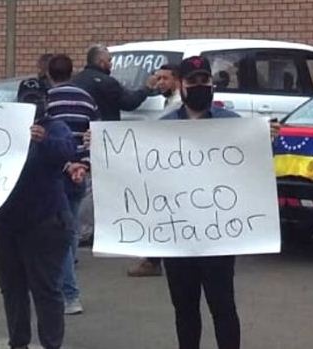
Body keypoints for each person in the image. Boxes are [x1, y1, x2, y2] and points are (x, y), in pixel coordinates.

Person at [83, 56, 280, 349]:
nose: (200, 86)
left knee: (223, 307)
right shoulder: (163, 129)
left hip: (219, 238)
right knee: (185, 310)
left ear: (212, 85)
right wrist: (99, 146)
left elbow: (254, 166)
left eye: (205, 81)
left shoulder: (233, 125)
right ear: (182, 85)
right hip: (178, 239)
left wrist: (267, 140)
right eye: (193, 82)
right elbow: (135, 163)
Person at [0, 72, 77, 349]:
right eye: (27, 99)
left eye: (38, 98)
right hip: (6, 223)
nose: (33, 103)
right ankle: (18, 343)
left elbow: (67, 150)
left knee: (46, 290)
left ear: (46, 101)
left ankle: (51, 345)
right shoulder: (3, 128)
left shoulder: (55, 127)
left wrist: (44, 140)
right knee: (12, 289)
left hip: (45, 223)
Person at [45, 54, 99, 315]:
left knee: (60, 238)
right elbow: (94, 135)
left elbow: (48, 138)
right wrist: (84, 165)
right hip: (80, 172)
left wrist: (67, 166)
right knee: (73, 227)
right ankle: (66, 281)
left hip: (59, 172)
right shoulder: (87, 98)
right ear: (72, 72)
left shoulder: (48, 100)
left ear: (48, 74)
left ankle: (69, 295)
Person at [126, 63, 182, 278]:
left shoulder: (177, 104)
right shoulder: (170, 101)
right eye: (157, 79)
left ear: (177, 80)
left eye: (164, 79)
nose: (159, 83)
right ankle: (154, 258)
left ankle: (153, 260)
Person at [72, 44, 156, 121]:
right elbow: (129, 103)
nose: (111, 64)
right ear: (101, 63)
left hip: (81, 130)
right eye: (109, 60)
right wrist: (146, 88)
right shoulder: (108, 83)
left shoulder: (75, 81)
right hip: (104, 130)